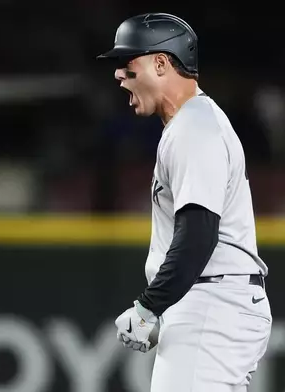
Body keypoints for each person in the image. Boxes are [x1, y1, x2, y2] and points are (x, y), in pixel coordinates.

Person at [96, 13, 272, 392]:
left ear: (161, 63)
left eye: (128, 65)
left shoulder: (194, 127)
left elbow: (198, 235)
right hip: (210, 298)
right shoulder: (192, 124)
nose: (118, 76)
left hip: (212, 298)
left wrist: (147, 308)